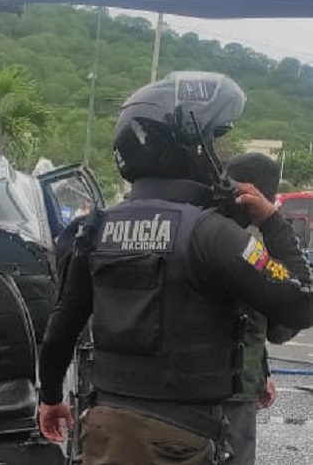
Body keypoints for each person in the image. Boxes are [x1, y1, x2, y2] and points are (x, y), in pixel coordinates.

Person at [38, 71, 313, 465]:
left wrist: (50, 397)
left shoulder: (93, 229)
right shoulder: (214, 235)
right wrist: (272, 221)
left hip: (104, 430)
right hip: (182, 439)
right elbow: (301, 304)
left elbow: (61, 325)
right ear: (189, 146)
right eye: (212, 143)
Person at [223, 152, 299, 464]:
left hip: (185, 383)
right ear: (266, 198)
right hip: (236, 386)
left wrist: (263, 370)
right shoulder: (258, 251)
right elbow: (286, 316)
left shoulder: (202, 229)